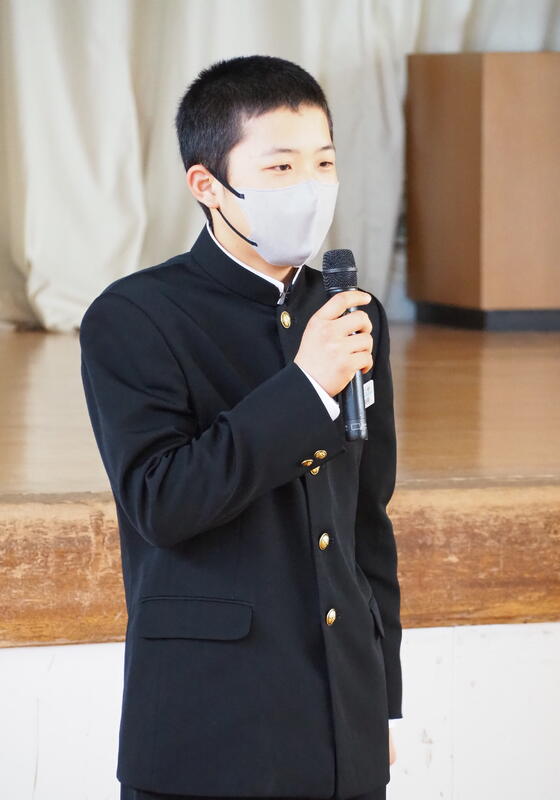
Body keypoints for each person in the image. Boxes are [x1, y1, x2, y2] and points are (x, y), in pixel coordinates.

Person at [79, 54, 402, 800]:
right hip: (210, 727)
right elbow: (162, 502)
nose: (311, 186)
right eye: (282, 167)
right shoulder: (134, 316)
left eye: (324, 163)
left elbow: (365, 520)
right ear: (207, 185)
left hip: (341, 728)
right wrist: (304, 387)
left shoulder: (352, 313)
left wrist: (379, 699)